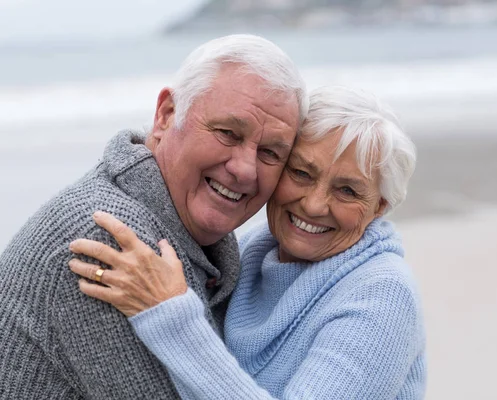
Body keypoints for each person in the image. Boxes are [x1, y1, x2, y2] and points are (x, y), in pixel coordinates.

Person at [69, 86, 427, 399]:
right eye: (302, 173)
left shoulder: (381, 295)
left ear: (379, 207)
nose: (315, 204)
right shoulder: (253, 250)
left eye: (347, 191)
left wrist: (172, 315)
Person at [0, 34, 307, 399]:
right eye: (227, 133)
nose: (245, 170)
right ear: (165, 115)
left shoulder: (188, 236)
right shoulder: (112, 242)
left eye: (271, 153)